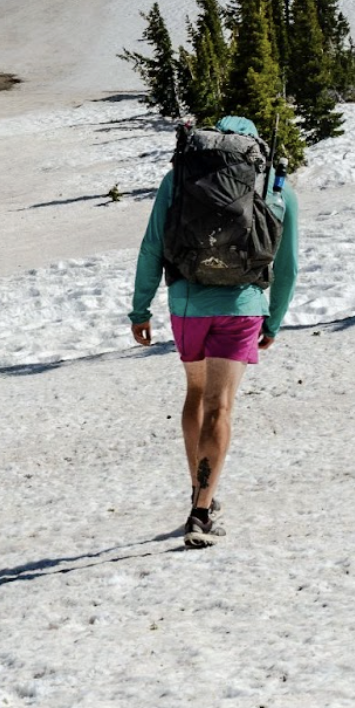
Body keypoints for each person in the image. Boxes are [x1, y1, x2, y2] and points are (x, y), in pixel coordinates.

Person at [128, 115, 299, 548]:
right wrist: (273, 320)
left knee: (195, 395)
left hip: (188, 303)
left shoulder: (181, 177)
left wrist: (140, 309)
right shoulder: (274, 185)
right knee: (220, 405)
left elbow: (152, 245)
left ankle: (198, 491)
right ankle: (201, 513)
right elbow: (287, 265)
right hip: (242, 307)